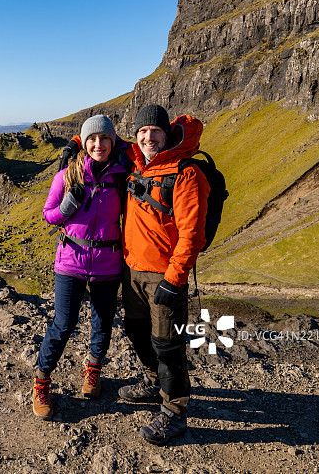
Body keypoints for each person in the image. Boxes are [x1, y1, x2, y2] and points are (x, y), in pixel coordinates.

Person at [117, 104, 210, 445]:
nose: (148, 137)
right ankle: (152, 380)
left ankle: (174, 413)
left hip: (163, 276)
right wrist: (73, 143)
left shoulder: (186, 174)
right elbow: (98, 140)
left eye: (154, 132)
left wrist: (174, 280)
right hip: (132, 272)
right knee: (136, 331)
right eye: (142, 132)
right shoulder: (136, 164)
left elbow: (192, 236)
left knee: (167, 345)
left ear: (166, 133)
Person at [32, 114, 129, 420]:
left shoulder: (123, 175)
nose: (98, 144)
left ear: (112, 142)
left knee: (102, 323)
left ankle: (93, 374)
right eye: (91, 139)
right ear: (85, 145)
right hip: (71, 261)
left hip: (108, 263)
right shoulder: (67, 176)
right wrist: (64, 209)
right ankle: (41, 383)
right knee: (63, 324)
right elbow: (48, 215)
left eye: (104, 138)